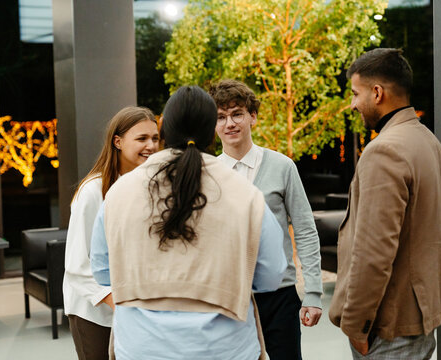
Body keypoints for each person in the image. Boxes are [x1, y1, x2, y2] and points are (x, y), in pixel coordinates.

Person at [90, 85, 287, 360]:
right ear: (211, 132)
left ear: (164, 130)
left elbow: (101, 272)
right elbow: (271, 276)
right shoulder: (246, 194)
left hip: (140, 348)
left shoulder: (119, 192)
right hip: (225, 349)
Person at [329, 48, 441, 359]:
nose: (353, 104)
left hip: (388, 327)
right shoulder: (428, 141)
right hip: (419, 319)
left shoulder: (384, 151)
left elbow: (374, 251)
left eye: (356, 94)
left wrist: (357, 324)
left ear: (377, 93)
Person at [209, 79, 323, 360]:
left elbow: (306, 230)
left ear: (253, 117)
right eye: (221, 117)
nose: (229, 123)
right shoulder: (208, 173)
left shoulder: (282, 166)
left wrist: (314, 293)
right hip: (228, 298)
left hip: (279, 295)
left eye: (237, 114)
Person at [63, 106, 159, 360]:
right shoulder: (93, 191)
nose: (151, 146)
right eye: (142, 139)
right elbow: (77, 265)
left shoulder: (151, 187)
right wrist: (120, 305)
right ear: (117, 141)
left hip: (137, 309)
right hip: (95, 315)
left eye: (155, 138)